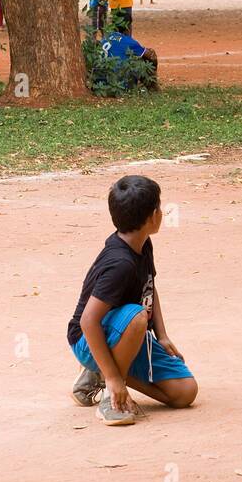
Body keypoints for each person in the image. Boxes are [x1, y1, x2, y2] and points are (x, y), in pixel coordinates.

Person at [66, 175, 197, 426]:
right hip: (89, 340)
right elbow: (88, 321)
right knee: (137, 316)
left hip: (126, 337)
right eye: (159, 207)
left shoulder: (142, 243)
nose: (162, 212)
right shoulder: (120, 264)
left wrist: (163, 335)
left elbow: (150, 287)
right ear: (150, 217)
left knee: (185, 393)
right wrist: (117, 380)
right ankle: (111, 394)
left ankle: (102, 373)